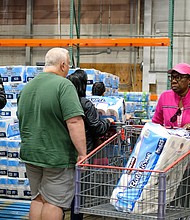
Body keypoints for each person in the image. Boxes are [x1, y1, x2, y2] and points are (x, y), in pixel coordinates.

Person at [17, 48, 87, 220]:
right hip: (57, 156)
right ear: (63, 65)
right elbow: (74, 121)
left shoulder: (28, 87)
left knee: (38, 198)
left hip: (31, 154)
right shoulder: (64, 85)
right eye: (68, 64)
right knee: (54, 202)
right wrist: (82, 153)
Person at [67, 69, 114, 220]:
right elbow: (97, 127)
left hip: (65, 150)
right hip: (84, 150)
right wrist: (108, 122)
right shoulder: (85, 104)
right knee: (79, 189)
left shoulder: (63, 103)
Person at [152, 63, 190, 129]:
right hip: (170, 139)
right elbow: (156, 123)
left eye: (178, 77)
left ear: (189, 80)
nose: (173, 81)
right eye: (172, 77)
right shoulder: (165, 97)